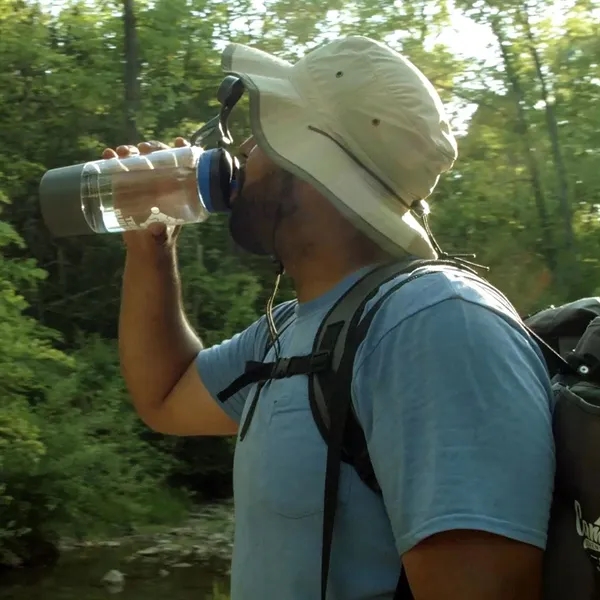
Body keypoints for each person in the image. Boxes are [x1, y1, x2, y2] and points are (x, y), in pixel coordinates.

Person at [110, 36, 555, 599]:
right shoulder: (296, 331)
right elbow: (166, 395)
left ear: (310, 165)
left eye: (265, 134)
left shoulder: (434, 324)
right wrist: (150, 248)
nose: (245, 148)